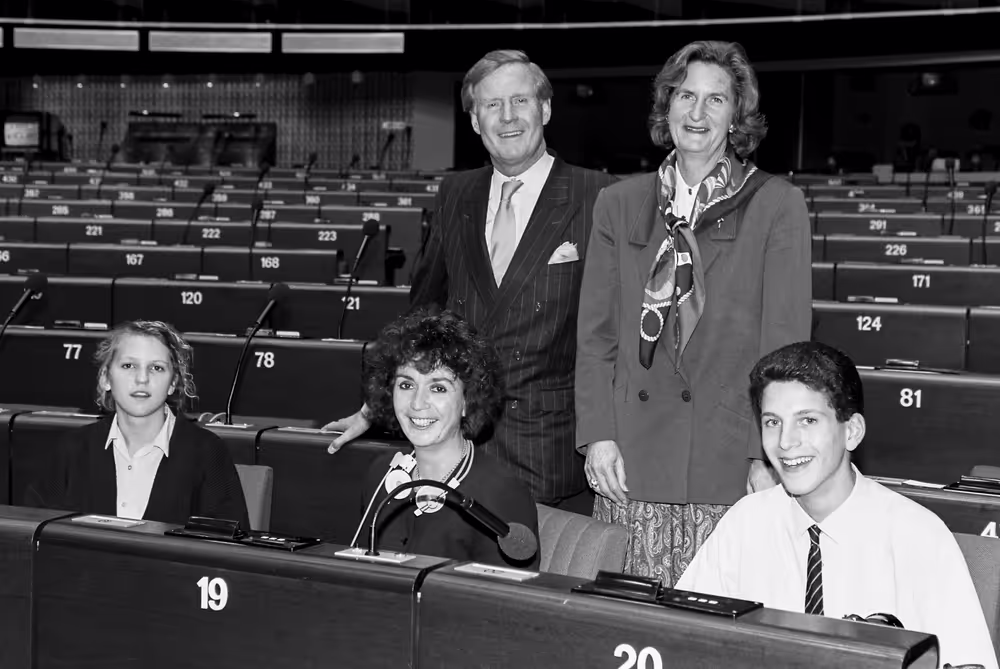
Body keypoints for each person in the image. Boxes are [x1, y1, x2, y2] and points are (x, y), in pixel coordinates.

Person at [326, 49, 616, 512]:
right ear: (476, 121)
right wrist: (374, 409)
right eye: (491, 105)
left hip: (549, 445)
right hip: (458, 443)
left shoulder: (600, 194)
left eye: (519, 101)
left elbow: (613, 331)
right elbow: (424, 315)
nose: (507, 117)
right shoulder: (455, 192)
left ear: (544, 108)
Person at [575, 40, 812, 585]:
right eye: (685, 95)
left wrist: (766, 456)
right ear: (667, 106)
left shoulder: (777, 205)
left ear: (737, 116)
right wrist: (598, 435)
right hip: (630, 460)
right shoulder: (618, 203)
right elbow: (596, 338)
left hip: (725, 459)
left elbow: (785, 349)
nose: (697, 113)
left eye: (716, 99)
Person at [677, 342, 997, 669]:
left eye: (808, 421)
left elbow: (969, 662)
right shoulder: (744, 523)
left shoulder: (919, 537)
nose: (786, 442)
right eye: (772, 422)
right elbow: (679, 641)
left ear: (852, 432)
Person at [355, 309, 539, 568]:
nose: (417, 404)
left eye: (438, 388)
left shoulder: (501, 495)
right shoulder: (380, 475)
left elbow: (503, 605)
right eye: (406, 385)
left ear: (467, 400)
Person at [26, 320, 250, 529]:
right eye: (128, 365)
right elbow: (33, 535)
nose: (142, 378)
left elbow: (228, 552)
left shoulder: (208, 452)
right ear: (105, 378)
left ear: (173, 383)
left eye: (156, 368)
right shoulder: (71, 449)